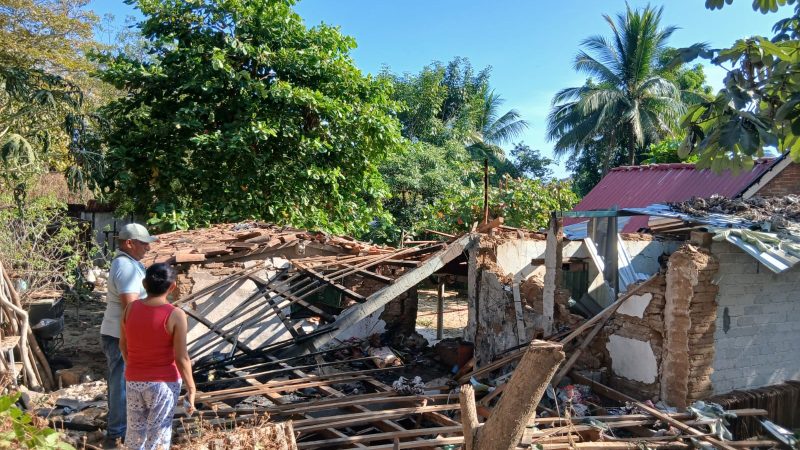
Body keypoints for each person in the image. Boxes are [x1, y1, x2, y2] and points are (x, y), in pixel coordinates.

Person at [119, 263, 196, 450]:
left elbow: (123, 345)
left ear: (144, 284)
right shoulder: (176, 315)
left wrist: (135, 368)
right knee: (158, 437)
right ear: (172, 287)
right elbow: (181, 358)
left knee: (135, 436)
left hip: (133, 380)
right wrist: (191, 388)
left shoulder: (130, 309)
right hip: (163, 384)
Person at [100, 223, 157, 448]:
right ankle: (115, 435)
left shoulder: (132, 264)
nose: (148, 249)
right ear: (130, 243)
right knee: (122, 384)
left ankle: (118, 427)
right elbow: (131, 307)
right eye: (144, 244)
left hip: (120, 334)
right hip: (120, 336)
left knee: (121, 383)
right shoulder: (125, 266)